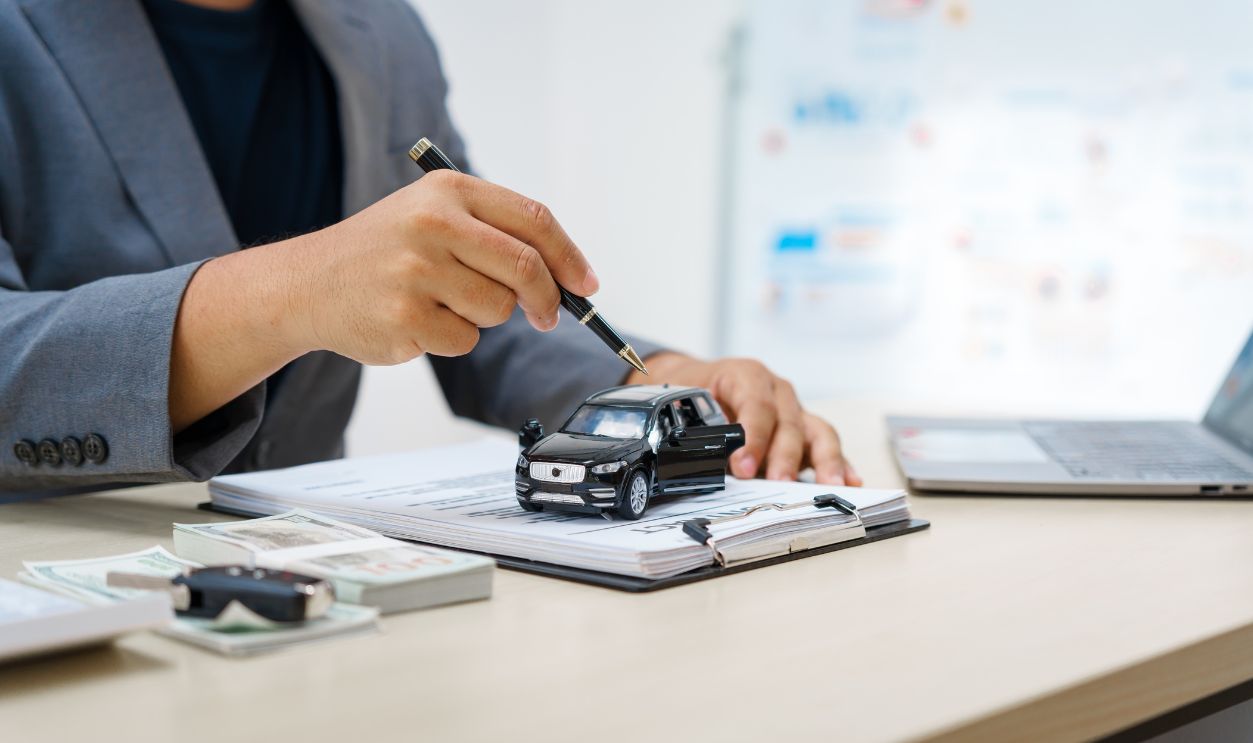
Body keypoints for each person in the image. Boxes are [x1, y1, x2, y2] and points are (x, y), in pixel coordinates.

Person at [0, 0, 861, 498]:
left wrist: (656, 380)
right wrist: (294, 290)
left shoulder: (382, 35)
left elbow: (481, 297)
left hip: (313, 598)